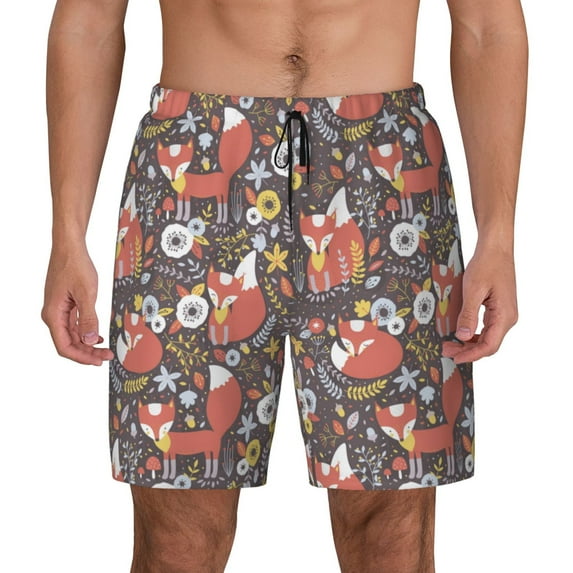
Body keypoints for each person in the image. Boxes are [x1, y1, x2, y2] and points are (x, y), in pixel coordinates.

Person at [41, 0, 526, 571]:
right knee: (176, 536)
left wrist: (499, 236)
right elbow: (89, 23)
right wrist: (67, 235)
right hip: (193, 167)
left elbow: (487, 26)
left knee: (389, 532)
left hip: (383, 176)